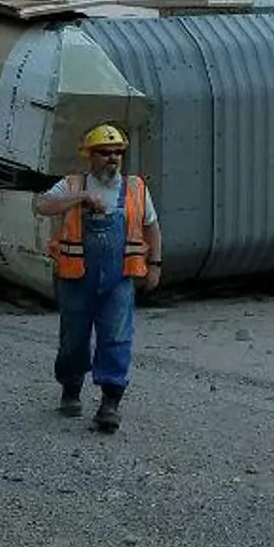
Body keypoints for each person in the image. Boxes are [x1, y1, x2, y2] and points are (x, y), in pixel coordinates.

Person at [33, 123, 162, 434]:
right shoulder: (72, 185)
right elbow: (42, 205)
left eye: (118, 152)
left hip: (119, 278)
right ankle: (71, 388)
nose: (113, 158)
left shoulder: (134, 189)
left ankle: (110, 402)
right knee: (73, 339)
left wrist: (155, 264)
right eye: (105, 152)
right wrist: (79, 199)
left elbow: (152, 227)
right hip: (76, 278)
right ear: (90, 155)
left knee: (116, 337)